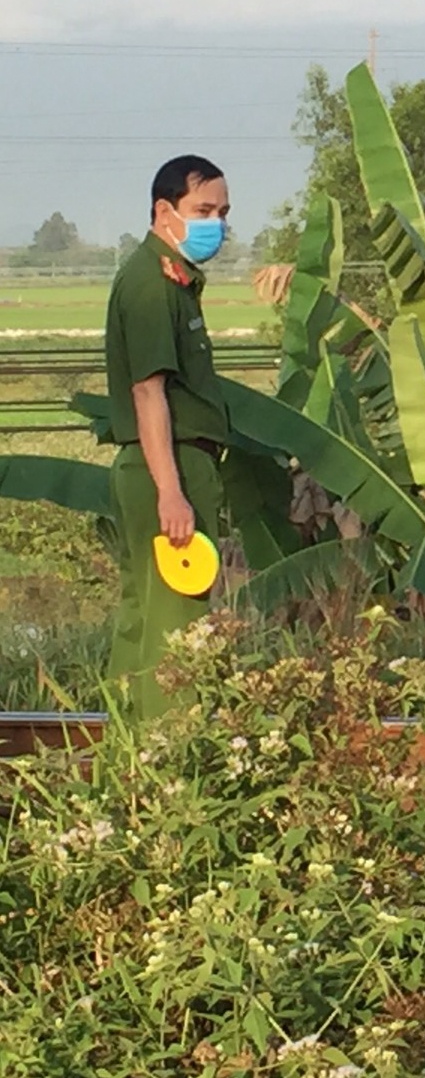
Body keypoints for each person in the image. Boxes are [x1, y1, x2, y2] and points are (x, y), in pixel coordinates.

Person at [103, 155, 232, 717]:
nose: (217, 225)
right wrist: (171, 492)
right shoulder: (153, 284)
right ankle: (165, 760)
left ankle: (124, 765)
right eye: (203, 210)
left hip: (165, 468)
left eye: (224, 213)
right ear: (164, 211)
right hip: (168, 466)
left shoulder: (173, 279)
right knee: (174, 629)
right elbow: (148, 392)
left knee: (144, 618)